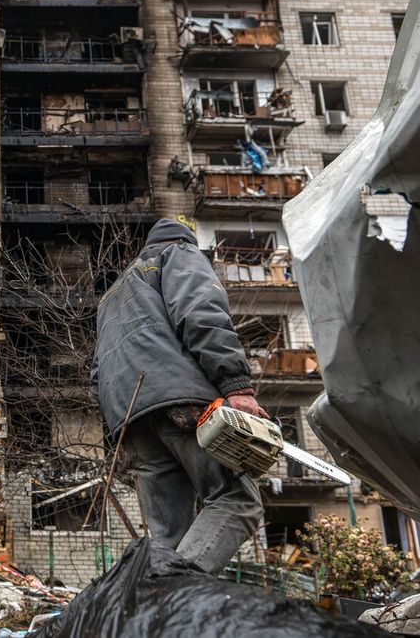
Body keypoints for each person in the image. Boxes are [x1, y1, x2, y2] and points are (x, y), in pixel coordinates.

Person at [93, 219, 266, 574]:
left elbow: (97, 373)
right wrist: (236, 387)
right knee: (236, 500)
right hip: (181, 404)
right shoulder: (179, 253)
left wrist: (119, 428)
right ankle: (172, 597)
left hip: (130, 421)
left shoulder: (111, 296)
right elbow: (201, 312)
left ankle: (153, 619)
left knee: (168, 536)